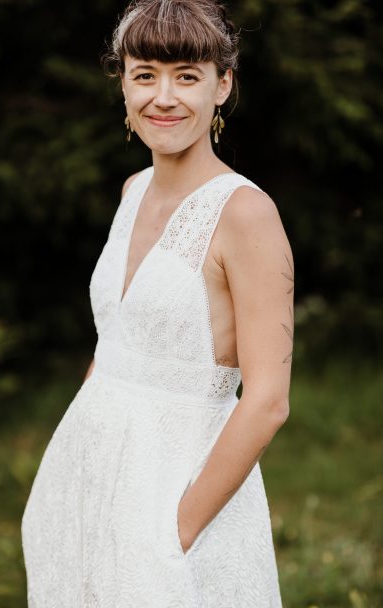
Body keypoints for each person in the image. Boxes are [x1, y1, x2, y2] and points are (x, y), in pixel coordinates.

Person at [21, 0, 294, 606]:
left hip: (176, 494)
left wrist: (177, 531)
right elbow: (116, 343)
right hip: (87, 477)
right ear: (122, 82)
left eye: (187, 76)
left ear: (223, 86)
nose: (162, 97)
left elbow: (268, 402)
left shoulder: (245, 214)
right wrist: (73, 468)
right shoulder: (132, 189)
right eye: (144, 74)